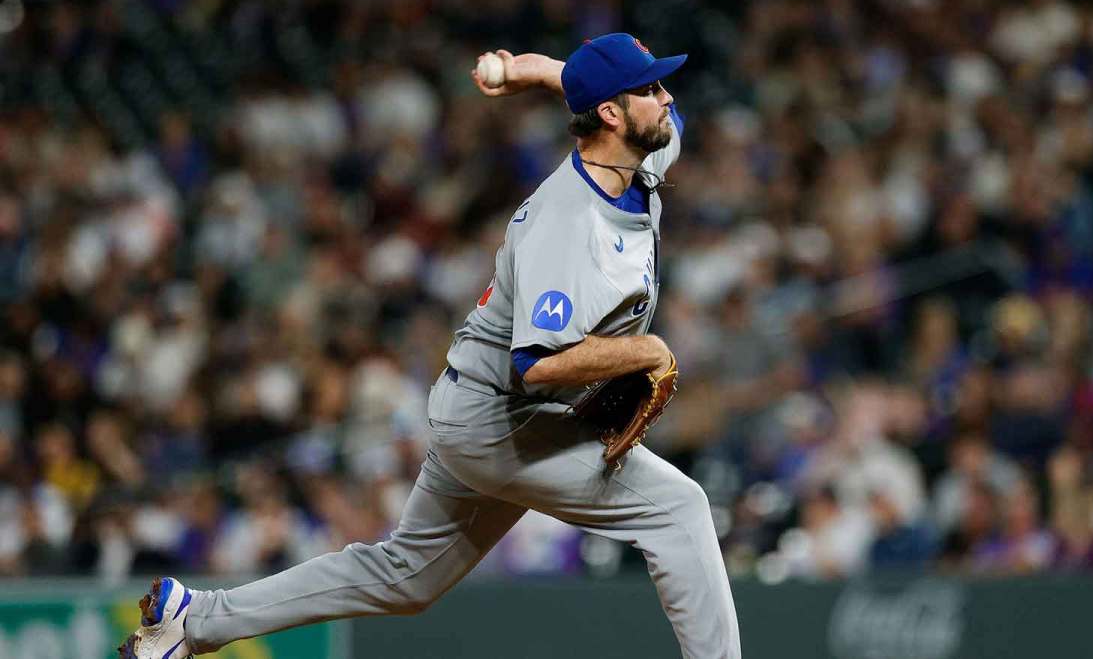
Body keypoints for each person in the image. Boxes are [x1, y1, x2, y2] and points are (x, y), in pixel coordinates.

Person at [119, 33, 742, 659]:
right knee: (678, 509)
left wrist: (545, 71)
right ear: (610, 114)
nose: (667, 99)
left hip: (480, 405)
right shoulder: (566, 223)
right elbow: (537, 367)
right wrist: (644, 352)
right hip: (499, 418)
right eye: (651, 88)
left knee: (406, 576)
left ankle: (193, 620)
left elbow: (666, 120)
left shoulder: (640, 158)